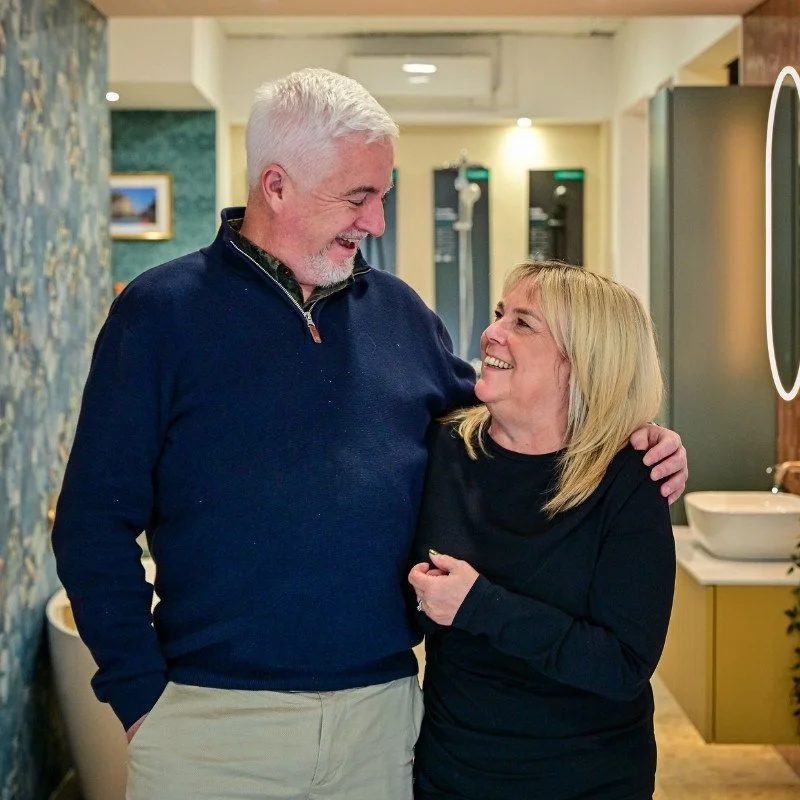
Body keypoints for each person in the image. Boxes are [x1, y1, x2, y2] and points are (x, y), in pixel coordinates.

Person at [51, 69, 687, 800]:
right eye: (360, 196)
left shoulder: (401, 314)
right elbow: (92, 523)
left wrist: (638, 436)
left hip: (382, 722)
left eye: (381, 194)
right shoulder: (160, 315)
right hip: (211, 723)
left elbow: (514, 413)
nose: (377, 222)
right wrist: (140, 699)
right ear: (277, 186)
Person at [408, 260, 677, 800]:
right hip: (454, 771)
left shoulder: (629, 479)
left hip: (588, 778)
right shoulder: (440, 451)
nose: (491, 332)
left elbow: (623, 665)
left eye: (523, 323)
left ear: (580, 365)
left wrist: (480, 605)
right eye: (500, 313)